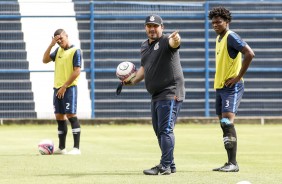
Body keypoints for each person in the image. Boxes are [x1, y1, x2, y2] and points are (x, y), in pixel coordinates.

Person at [121, 14, 185, 175]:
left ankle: (165, 166)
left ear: (162, 27)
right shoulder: (144, 46)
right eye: (149, 26)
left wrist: (176, 39)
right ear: (145, 28)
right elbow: (144, 68)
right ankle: (170, 163)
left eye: (155, 26)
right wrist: (131, 81)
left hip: (170, 91)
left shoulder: (166, 41)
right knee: (159, 130)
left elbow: (174, 43)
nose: (152, 29)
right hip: (156, 94)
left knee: (165, 130)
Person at [208, 7, 255, 172]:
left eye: (218, 22)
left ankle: (233, 164)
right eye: (213, 23)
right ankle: (229, 163)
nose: (215, 25)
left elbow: (249, 54)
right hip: (220, 87)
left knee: (227, 123)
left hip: (232, 86)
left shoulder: (231, 36)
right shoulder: (219, 38)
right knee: (223, 124)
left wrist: (237, 77)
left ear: (226, 22)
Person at [42, 29, 82, 155]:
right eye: (57, 40)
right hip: (57, 88)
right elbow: (45, 60)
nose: (59, 42)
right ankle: (62, 148)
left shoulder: (76, 51)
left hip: (69, 88)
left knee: (71, 115)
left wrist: (65, 86)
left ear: (66, 36)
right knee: (59, 116)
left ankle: (76, 148)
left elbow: (77, 71)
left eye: (61, 39)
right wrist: (51, 44)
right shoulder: (58, 50)